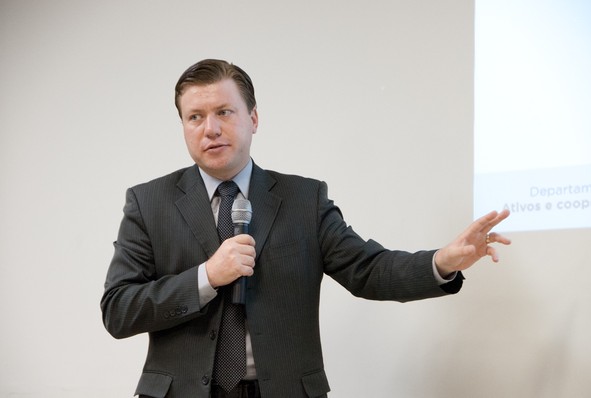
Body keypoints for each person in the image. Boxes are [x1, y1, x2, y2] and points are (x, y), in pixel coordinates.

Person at [101, 59, 511, 398]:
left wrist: (442, 261)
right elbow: (118, 310)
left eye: (224, 112)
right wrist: (206, 277)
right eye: (195, 117)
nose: (210, 128)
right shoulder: (148, 202)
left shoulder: (303, 200)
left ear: (254, 118)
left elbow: (368, 270)